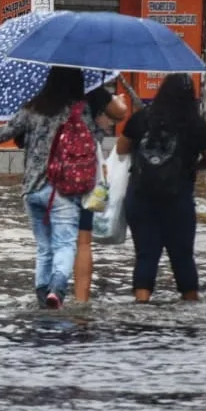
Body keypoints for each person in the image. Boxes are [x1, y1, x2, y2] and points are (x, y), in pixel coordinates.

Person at [0, 67, 97, 309]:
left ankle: (42, 296)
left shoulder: (33, 108)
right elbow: (93, 141)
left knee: (44, 246)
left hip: (32, 189)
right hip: (65, 188)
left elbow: (3, 134)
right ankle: (57, 290)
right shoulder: (81, 110)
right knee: (64, 243)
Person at [115, 74, 206, 303]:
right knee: (182, 256)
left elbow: (122, 149)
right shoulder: (195, 124)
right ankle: (190, 305)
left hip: (141, 196)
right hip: (178, 197)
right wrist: (193, 166)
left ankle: (141, 306)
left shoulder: (142, 118)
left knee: (145, 254)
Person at [72, 82, 129, 302]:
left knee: (54, 240)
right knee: (83, 241)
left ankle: (50, 290)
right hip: (85, 170)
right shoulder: (93, 88)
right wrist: (118, 100)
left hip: (55, 172)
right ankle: (81, 299)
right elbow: (120, 112)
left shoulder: (49, 94)